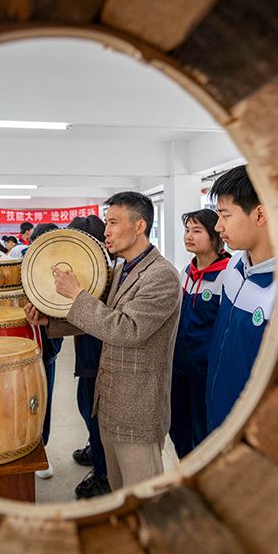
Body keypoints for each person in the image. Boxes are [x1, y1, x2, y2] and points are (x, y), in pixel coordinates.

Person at [25, 192, 182, 491]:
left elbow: (127, 329)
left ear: (139, 226)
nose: (106, 230)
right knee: (120, 489)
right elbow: (103, 318)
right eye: (106, 221)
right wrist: (51, 322)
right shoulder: (124, 268)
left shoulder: (161, 276)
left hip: (137, 408)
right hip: (110, 400)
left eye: (113, 222)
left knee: (143, 495)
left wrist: (77, 295)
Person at [206, 165, 275, 433]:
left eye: (225, 215)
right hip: (218, 414)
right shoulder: (233, 269)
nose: (217, 226)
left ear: (259, 214)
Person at [168, 208, 230, 459]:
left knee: (202, 432)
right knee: (178, 428)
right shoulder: (186, 272)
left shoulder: (227, 274)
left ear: (216, 236)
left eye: (197, 231)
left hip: (206, 374)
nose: (188, 236)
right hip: (180, 368)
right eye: (187, 230)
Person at [67, 215, 111, 498]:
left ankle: (104, 475)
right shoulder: (86, 269)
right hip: (87, 356)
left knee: (94, 412)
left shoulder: (103, 273)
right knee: (86, 408)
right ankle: (95, 449)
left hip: (99, 360)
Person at [26, 223, 63, 479]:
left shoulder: (64, 269)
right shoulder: (22, 267)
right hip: (20, 344)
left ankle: (42, 450)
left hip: (46, 344)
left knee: (43, 400)